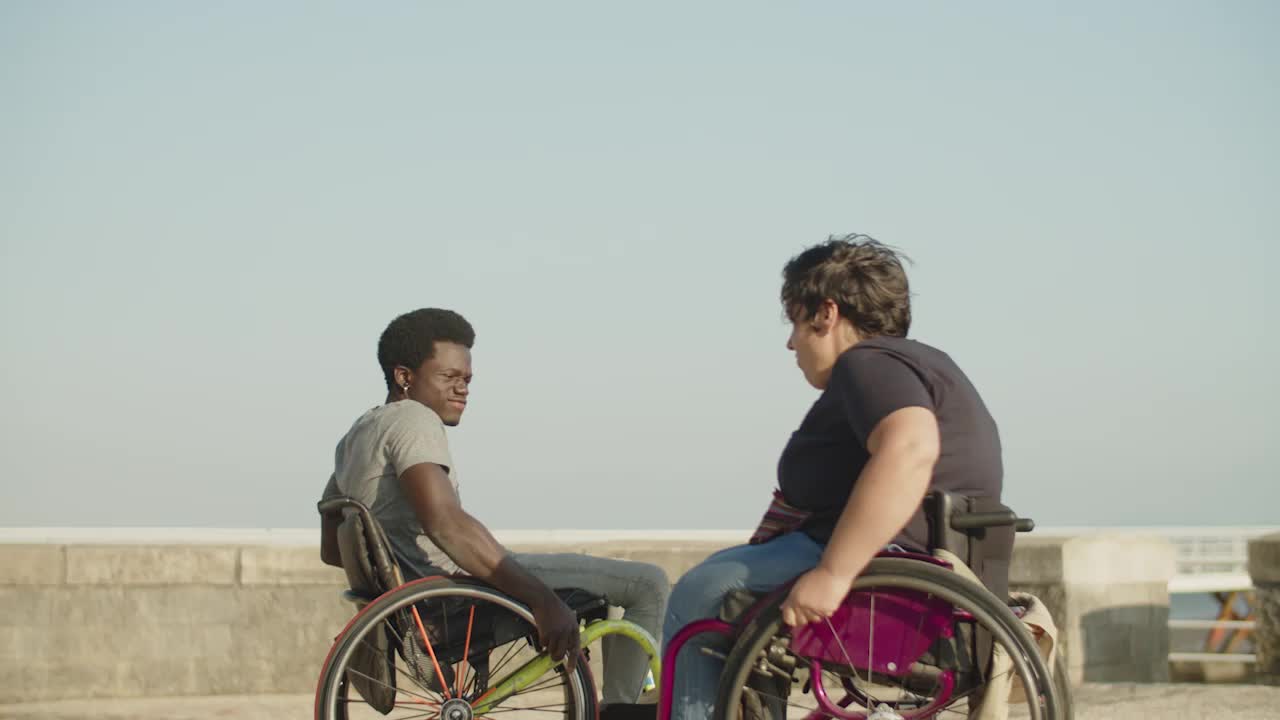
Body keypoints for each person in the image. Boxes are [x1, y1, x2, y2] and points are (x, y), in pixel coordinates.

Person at [662, 235, 1004, 718]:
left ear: (826, 314)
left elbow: (910, 448)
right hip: (932, 561)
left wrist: (833, 573)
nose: (789, 341)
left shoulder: (867, 365)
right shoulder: (922, 364)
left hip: (888, 569)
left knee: (703, 590)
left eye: (794, 321)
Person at [319, 308, 669, 713]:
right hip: (456, 596)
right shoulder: (414, 419)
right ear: (404, 377)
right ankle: (619, 710)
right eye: (448, 377)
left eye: (466, 379)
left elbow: (333, 547)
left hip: (415, 607)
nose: (462, 389)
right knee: (647, 583)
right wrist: (541, 599)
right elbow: (445, 523)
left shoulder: (356, 437)